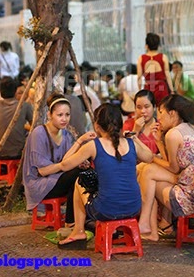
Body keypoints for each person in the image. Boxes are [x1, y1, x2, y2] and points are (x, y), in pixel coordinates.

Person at [38, 103, 154, 249]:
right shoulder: (131, 144)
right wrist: (134, 138)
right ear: (121, 124)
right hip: (134, 208)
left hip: (106, 209)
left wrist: (80, 141)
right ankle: (78, 229)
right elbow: (150, 157)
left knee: (80, 181)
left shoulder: (93, 145)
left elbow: (65, 165)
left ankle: (78, 231)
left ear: (97, 126)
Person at [137, 95, 194, 241]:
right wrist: (158, 141)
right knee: (148, 171)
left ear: (172, 113)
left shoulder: (173, 134)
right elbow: (173, 165)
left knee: (148, 172)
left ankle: (147, 225)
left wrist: (152, 157)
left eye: (161, 112)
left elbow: (173, 168)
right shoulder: (188, 128)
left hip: (192, 197)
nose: (158, 117)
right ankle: (149, 226)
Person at [23, 94, 98, 228]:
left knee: (85, 171)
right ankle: (72, 221)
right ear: (50, 114)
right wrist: (68, 163)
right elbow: (43, 170)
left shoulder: (65, 133)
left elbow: (67, 160)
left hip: (57, 179)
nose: (64, 119)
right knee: (76, 173)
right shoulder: (39, 133)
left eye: (67, 115)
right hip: (39, 184)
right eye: (60, 115)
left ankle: (79, 218)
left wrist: (79, 160)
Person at [0, 77, 33, 159]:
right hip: (20, 152)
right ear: (15, 91)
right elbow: (34, 127)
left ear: (0, 92)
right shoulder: (25, 106)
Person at [137, 33, 174, 105]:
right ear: (158, 45)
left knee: (149, 110)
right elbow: (167, 75)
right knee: (162, 109)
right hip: (161, 87)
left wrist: (139, 91)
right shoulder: (163, 57)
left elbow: (139, 77)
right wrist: (172, 90)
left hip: (148, 87)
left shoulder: (141, 58)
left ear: (146, 46)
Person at [123, 90, 160, 155]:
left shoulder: (160, 125)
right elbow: (125, 152)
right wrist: (135, 130)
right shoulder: (128, 124)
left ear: (154, 107)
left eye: (146, 106)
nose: (142, 111)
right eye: (139, 107)